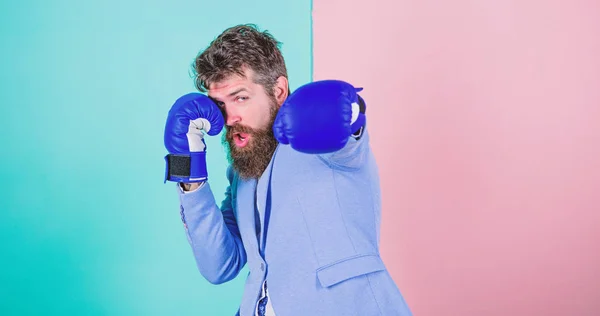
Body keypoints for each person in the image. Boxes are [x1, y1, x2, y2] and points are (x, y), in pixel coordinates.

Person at [163, 24, 412, 316]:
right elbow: (219, 265)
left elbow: (349, 131)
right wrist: (187, 171)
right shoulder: (242, 174)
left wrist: (353, 110)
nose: (229, 118)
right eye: (219, 104)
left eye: (240, 98)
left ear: (279, 91)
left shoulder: (326, 144)